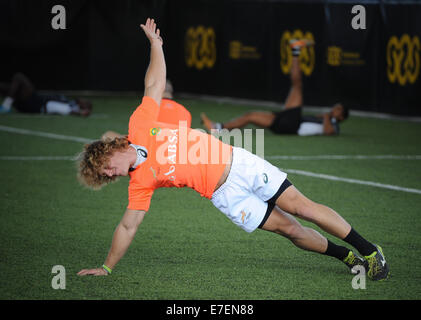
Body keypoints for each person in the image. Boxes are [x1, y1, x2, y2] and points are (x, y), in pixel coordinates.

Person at [76, 18, 389, 281]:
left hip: (239, 164)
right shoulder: (139, 184)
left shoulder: (140, 125)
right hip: (226, 197)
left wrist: (156, 45)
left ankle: (371, 251)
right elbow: (128, 226)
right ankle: (347, 256)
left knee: (302, 207)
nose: (109, 175)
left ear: (108, 152)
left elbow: (154, 86)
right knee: (290, 230)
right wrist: (106, 267)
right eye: (105, 176)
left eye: (104, 168)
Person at [201, 39, 348, 136]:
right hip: (286, 122)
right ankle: (218, 128)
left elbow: (329, 132)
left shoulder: (334, 126)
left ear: (341, 117)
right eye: (336, 106)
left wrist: (328, 116)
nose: (335, 108)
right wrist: (324, 116)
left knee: (297, 86)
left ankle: (295, 51)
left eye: (338, 109)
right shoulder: (324, 118)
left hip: (292, 125)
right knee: (250, 115)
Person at [0, 72, 92, 116]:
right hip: (34, 102)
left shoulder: (69, 106)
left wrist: (80, 113)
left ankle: (6, 106)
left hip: (35, 104)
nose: (83, 99)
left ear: (83, 107)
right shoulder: (69, 101)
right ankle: (6, 105)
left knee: (19, 77)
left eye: (86, 102)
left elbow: (67, 111)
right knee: (6, 88)